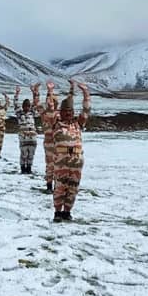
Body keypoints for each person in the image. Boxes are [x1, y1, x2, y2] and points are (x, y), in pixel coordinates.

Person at [51, 80, 91, 222]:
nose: (68, 113)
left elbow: (86, 110)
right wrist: (50, 92)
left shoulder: (77, 124)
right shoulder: (56, 123)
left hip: (76, 160)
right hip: (62, 161)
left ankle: (67, 212)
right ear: (61, 112)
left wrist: (85, 93)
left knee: (73, 187)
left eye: (70, 111)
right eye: (66, 111)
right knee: (60, 187)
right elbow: (50, 109)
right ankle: (58, 212)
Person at [37, 81, 60, 192]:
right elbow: (39, 104)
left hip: (57, 143)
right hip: (50, 143)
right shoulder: (46, 113)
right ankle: (50, 185)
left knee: (56, 165)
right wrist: (49, 91)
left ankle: (53, 185)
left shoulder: (57, 114)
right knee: (51, 164)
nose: (53, 104)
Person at [14, 84, 40, 174]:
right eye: (25, 106)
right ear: (23, 106)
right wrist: (17, 93)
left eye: (28, 106)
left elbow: (35, 103)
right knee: (23, 153)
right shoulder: (19, 113)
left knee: (31, 153)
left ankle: (29, 168)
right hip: (23, 138)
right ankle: (22, 168)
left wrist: (34, 92)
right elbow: (15, 104)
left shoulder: (32, 113)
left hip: (32, 138)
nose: (27, 107)